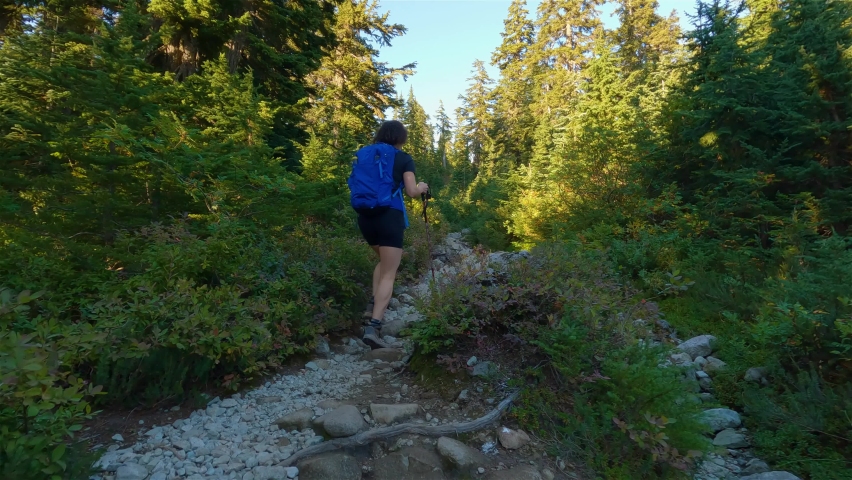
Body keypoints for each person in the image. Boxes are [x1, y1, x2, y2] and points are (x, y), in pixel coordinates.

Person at [355, 120, 428, 349]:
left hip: (365, 217)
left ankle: (371, 306)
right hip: (390, 216)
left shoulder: (366, 154)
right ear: (401, 137)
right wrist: (422, 187)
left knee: (383, 263)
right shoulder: (403, 158)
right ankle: (374, 326)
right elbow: (412, 191)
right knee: (390, 272)